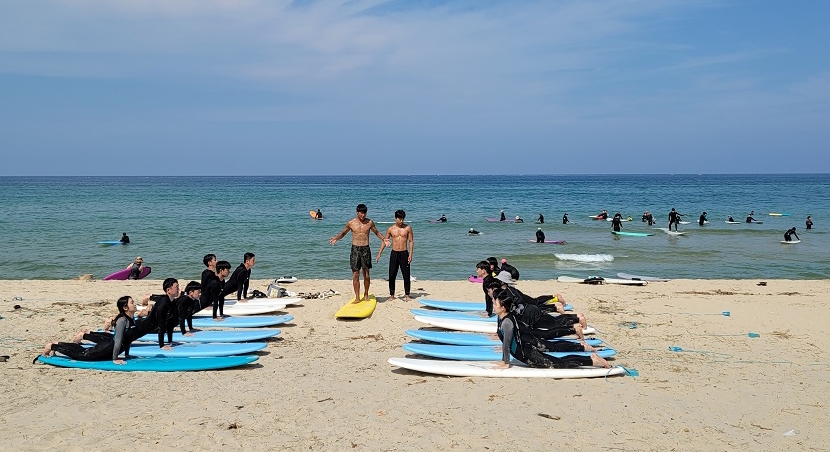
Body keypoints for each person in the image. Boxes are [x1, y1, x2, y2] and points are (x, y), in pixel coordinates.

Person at [492, 290, 608, 369]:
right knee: (556, 359)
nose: (493, 306)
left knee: (558, 363)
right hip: (524, 349)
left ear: (503, 308)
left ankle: (592, 360)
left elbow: (507, 343)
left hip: (526, 353)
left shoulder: (507, 322)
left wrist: (506, 362)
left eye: (495, 304)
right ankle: (588, 355)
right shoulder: (503, 318)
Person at [41, 296, 137, 365]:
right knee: (82, 355)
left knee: (82, 350)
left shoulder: (132, 319)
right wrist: (115, 359)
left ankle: (58, 343)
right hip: (108, 347)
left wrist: (127, 354)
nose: (135, 304)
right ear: (125, 308)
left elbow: (128, 339)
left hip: (110, 348)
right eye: (132, 303)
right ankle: (51, 346)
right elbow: (118, 341)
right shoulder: (122, 321)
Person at [330, 204, 389, 303]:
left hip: (366, 249)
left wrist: (384, 239)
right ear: (357, 212)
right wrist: (336, 238)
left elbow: (376, 232)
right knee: (355, 273)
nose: (363, 215)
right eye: (361, 213)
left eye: (364, 213)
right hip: (355, 249)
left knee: (366, 273)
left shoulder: (369, 222)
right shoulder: (351, 223)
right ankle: (357, 297)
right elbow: (343, 233)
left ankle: (366, 294)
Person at [376, 209, 414, 302]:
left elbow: (411, 241)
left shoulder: (407, 228)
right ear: (395, 218)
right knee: (392, 274)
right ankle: (392, 295)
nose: (401, 221)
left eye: (403, 219)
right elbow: (385, 241)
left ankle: (407, 295)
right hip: (394, 253)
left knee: (406, 275)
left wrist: (410, 254)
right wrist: (379, 253)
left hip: (404, 253)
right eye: (399, 219)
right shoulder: (391, 229)